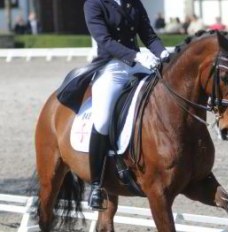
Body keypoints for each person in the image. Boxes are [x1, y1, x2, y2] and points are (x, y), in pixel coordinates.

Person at [83, 0, 169, 210]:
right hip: (111, 67)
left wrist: (165, 54)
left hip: (138, 64)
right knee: (102, 121)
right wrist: (135, 55)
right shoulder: (94, 4)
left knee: (164, 96)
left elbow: (148, 34)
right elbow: (105, 40)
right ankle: (96, 184)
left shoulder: (133, 2)